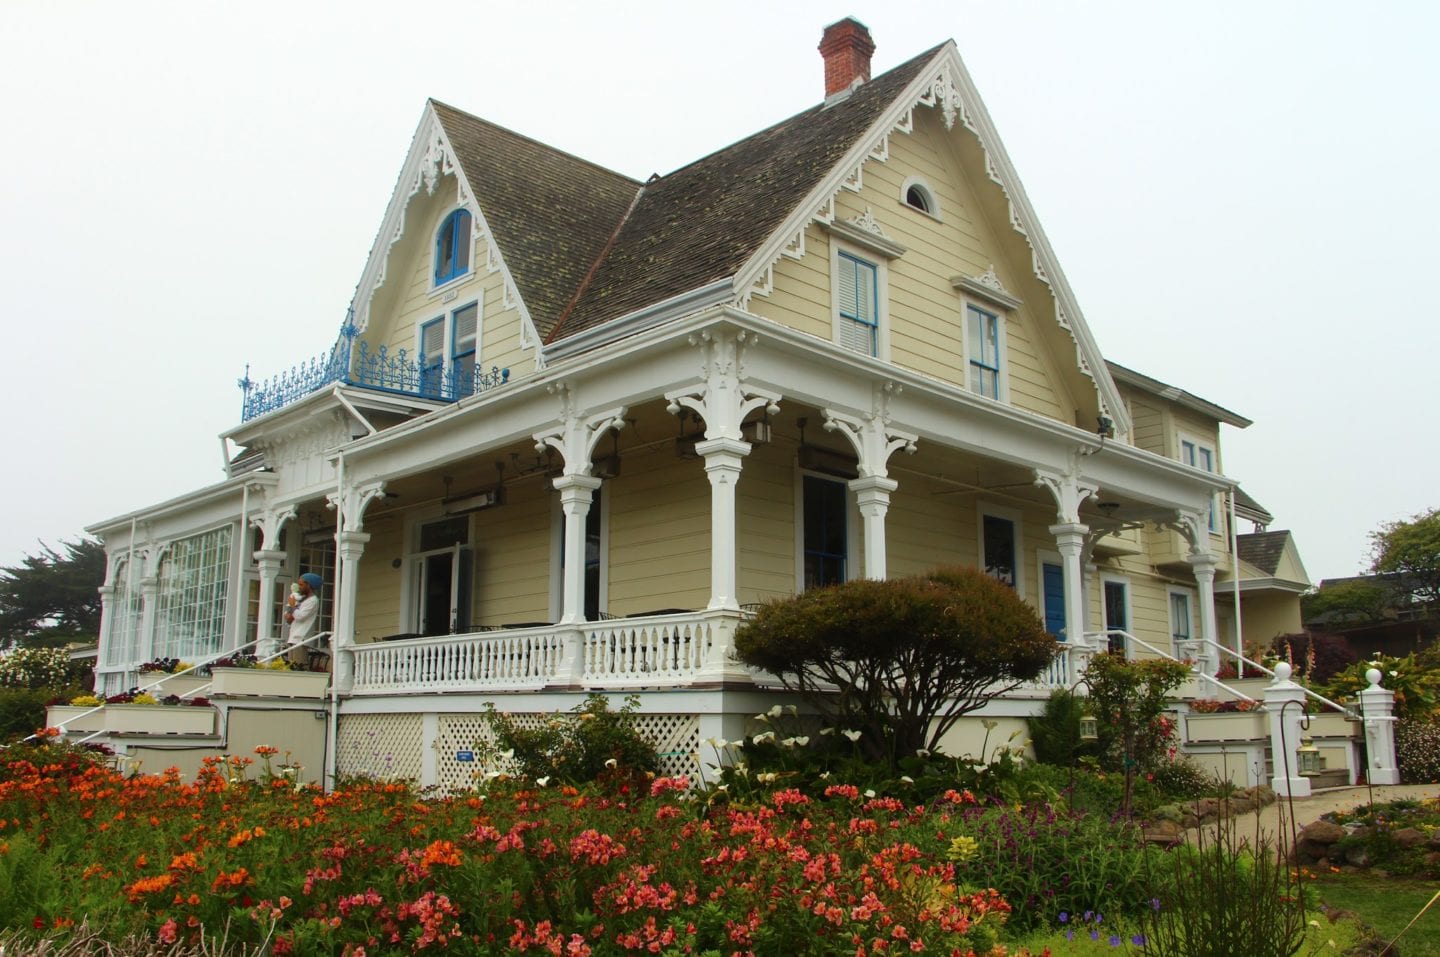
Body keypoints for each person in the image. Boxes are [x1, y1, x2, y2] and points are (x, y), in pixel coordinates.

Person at [285, 573, 323, 667]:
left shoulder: (313, 600)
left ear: (309, 585)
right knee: (291, 667)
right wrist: (292, 608)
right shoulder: (300, 599)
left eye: (301, 585)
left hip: (301, 639)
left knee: (299, 667)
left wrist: (293, 607)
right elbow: (287, 617)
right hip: (293, 638)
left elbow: (300, 616)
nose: (299, 587)